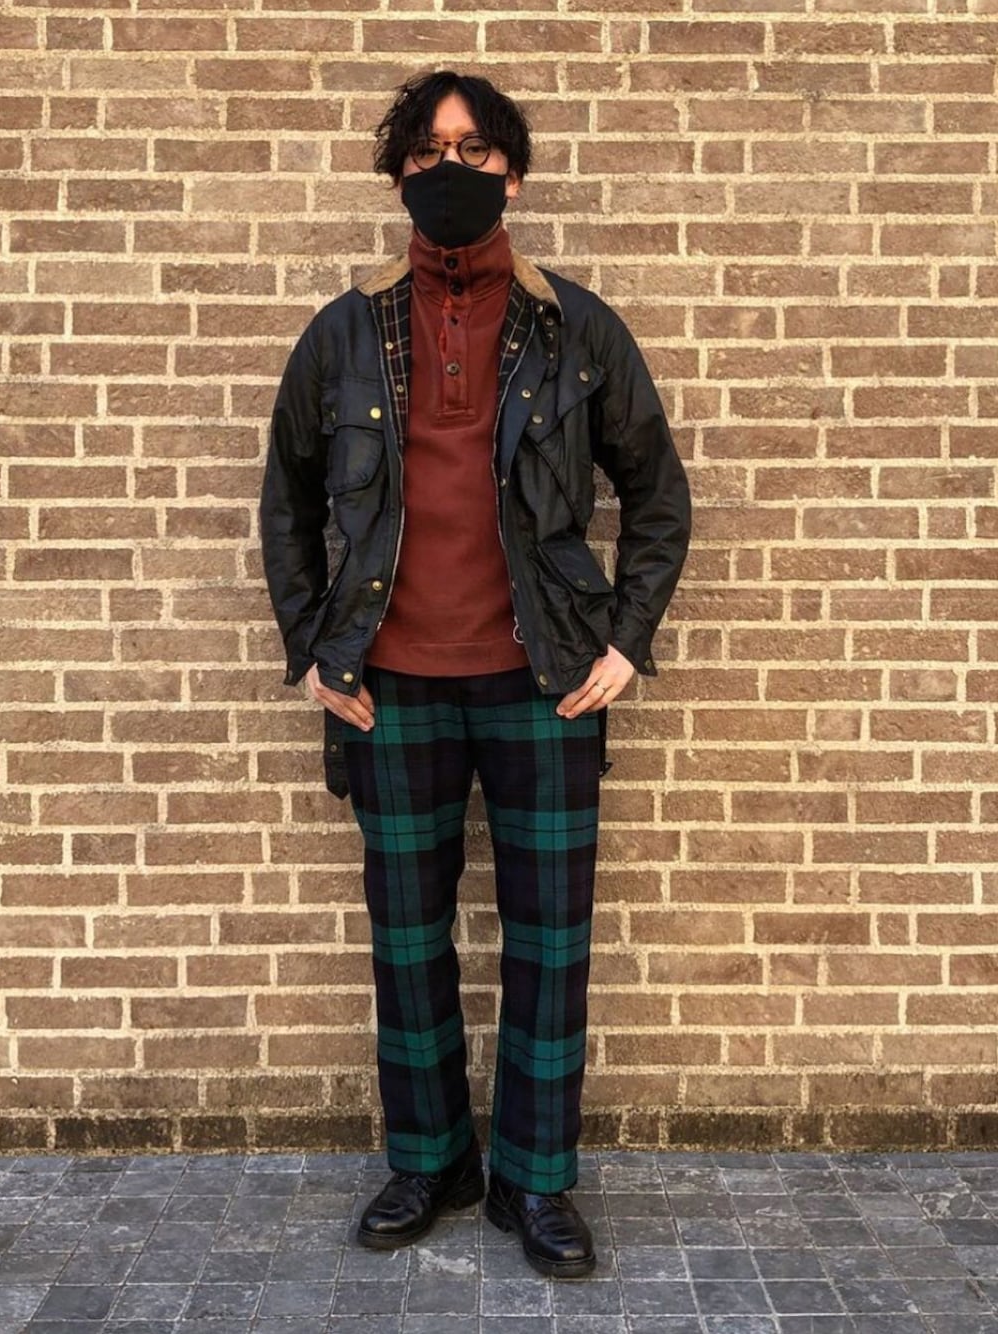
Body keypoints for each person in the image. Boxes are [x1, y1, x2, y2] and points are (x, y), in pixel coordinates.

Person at [259, 70, 691, 1279]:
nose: (451, 170)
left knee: (550, 941)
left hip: (542, 680)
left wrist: (624, 642)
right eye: (429, 150)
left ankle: (536, 1178)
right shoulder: (345, 333)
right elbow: (286, 500)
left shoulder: (576, 328)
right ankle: (430, 1159)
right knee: (408, 940)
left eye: (475, 150)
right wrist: (313, 649)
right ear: (398, 171)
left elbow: (657, 495)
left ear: (513, 173)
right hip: (388, 685)